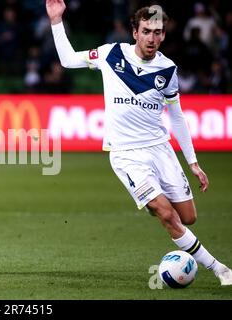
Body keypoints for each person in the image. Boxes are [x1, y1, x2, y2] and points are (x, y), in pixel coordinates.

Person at [46, 0, 232, 286]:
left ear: (164, 35)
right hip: (126, 154)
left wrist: (193, 162)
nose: (152, 38)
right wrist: (57, 21)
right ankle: (220, 269)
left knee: (188, 217)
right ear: (135, 32)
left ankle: (152, 200)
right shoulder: (111, 54)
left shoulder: (167, 69)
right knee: (167, 214)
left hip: (160, 149)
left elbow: (178, 117)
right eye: (146, 31)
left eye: (158, 32)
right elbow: (68, 60)